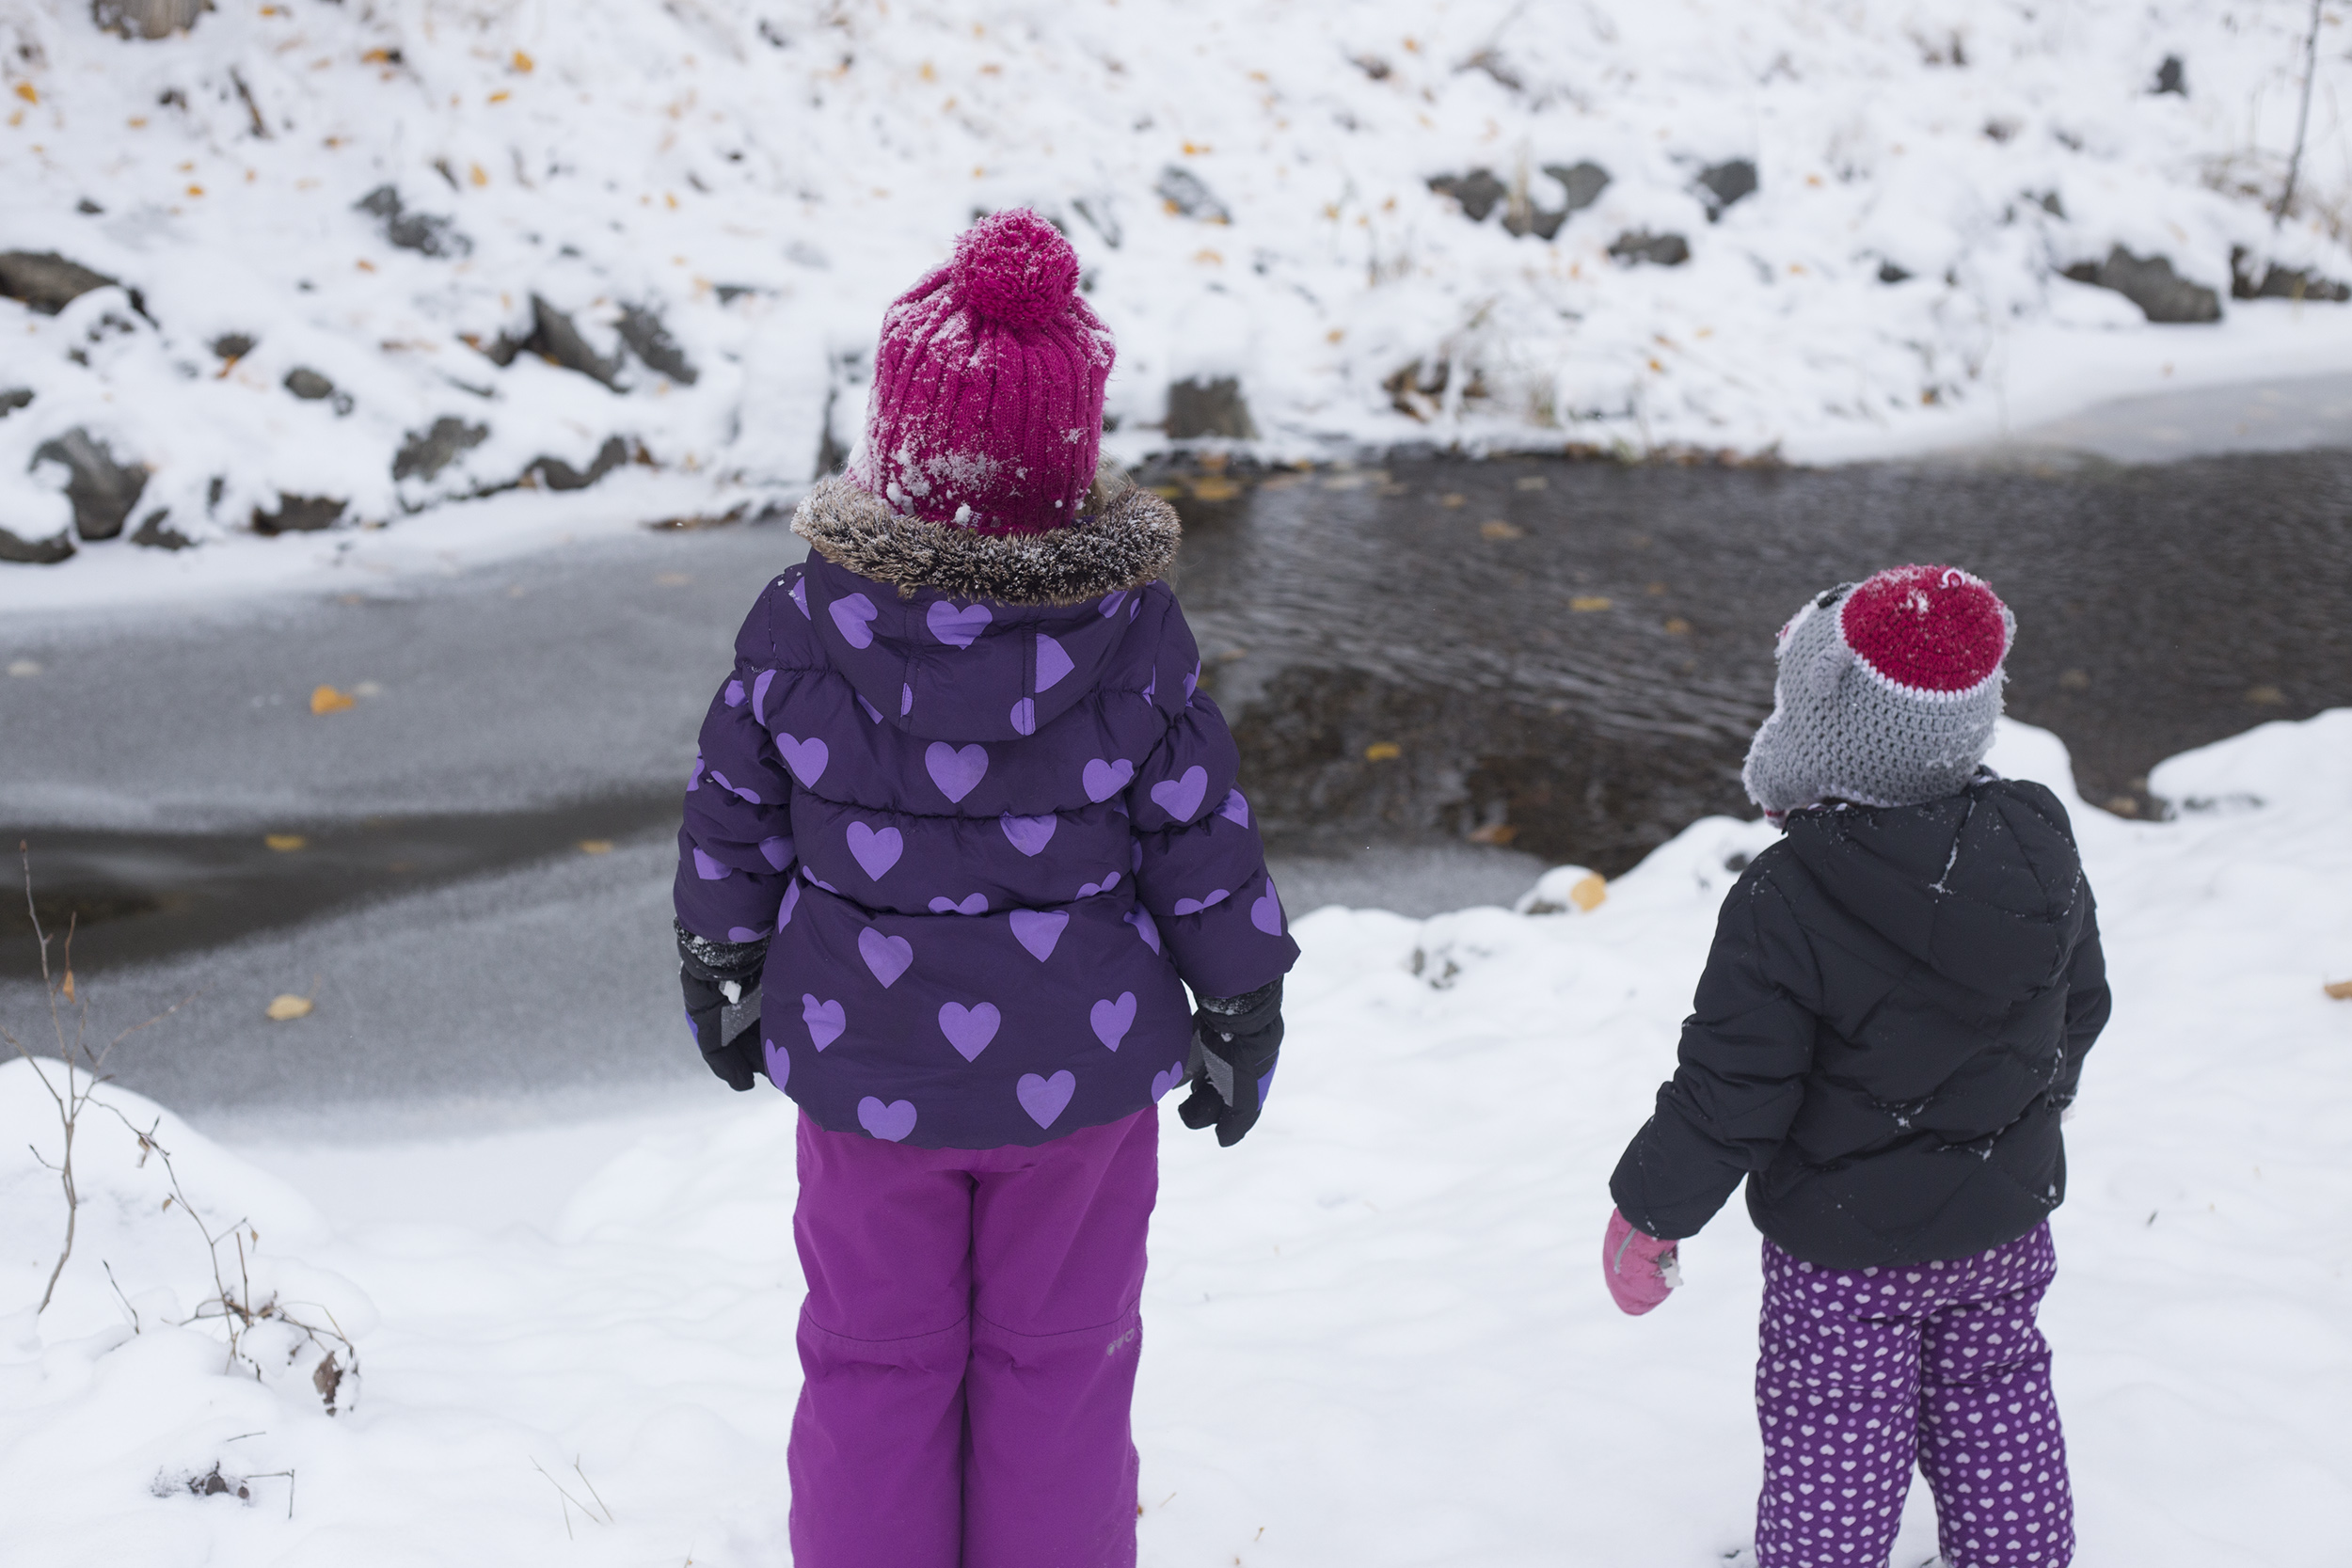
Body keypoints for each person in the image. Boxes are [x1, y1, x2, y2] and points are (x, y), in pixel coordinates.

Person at [669, 208, 1298, 1568]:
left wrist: (719, 956)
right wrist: (1240, 992)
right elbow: (1199, 825)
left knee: (871, 1363)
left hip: (863, 1070)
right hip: (1075, 1080)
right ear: (1071, 463)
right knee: (1059, 1366)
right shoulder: (1133, 636)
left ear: (895, 444)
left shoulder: (802, 619)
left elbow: (735, 809)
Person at [1601, 564, 2110, 1568]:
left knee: (1836, 1435)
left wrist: (1650, 1209)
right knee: (1995, 1401)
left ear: (1828, 734)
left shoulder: (1785, 893)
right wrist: (2021, 1117)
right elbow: (2078, 1007)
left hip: (1842, 1250)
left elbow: (1732, 1085)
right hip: (2000, 1218)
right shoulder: (2036, 842)